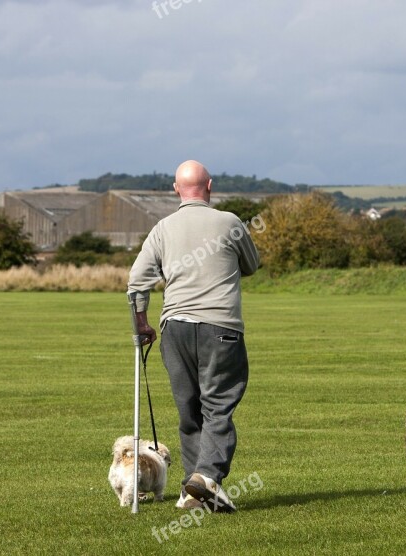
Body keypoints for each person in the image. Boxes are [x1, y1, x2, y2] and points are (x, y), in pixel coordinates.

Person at [127, 160, 259, 512]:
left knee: (189, 411)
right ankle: (206, 476)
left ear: (175, 189)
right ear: (210, 186)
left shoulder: (162, 228)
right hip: (221, 327)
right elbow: (251, 265)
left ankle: (193, 491)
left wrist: (141, 323)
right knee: (218, 405)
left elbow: (137, 280)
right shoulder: (230, 222)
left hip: (174, 328)